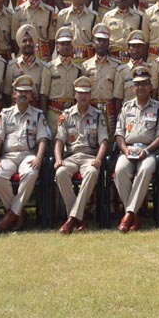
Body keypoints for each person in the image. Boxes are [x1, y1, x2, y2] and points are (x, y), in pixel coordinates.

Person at [0, 74, 50, 233]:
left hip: (28, 155)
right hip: (8, 156)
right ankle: (18, 212)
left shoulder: (38, 115)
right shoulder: (5, 114)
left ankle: (11, 215)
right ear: (14, 94)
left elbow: (43, 139)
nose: (23, 94)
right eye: (20, 91)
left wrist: (38, 158)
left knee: (31, 173)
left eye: (27, 91)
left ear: (31, 95)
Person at [113, 68, 159, 233]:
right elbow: (119, 134)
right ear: (132, 88)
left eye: (144, 84)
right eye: (137, 84)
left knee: (145, 170)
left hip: (148, 151)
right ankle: (134, 215)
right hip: (128, 150)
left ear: (150, 87)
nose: (141, 88)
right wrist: (125, 150)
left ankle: (128, 214)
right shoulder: (126, 107)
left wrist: (147, 151)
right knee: (120, 170)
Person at [54, 76, 109, 234]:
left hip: (89, 157)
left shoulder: (98, 115)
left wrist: (98, 159)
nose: (83, 96)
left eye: (86, 93)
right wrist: (58, 159)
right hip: (71, 157)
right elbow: (59, 140)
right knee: (60, 172)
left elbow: (104, 141)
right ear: (75, 94)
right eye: (80, 93)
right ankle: (78, 218)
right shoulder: (66, 115)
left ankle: (71, 220)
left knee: (92, 172)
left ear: (90, 95)